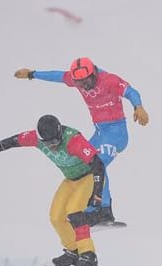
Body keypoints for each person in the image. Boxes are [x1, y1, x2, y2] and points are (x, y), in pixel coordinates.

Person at [14, 57, 149, 226]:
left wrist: (138, 106)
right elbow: (57, 76)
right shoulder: (77, 80)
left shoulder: (109, 80)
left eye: (87, 80)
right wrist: (32, 74)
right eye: (80, 82)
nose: (85, 85)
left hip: (116, 134)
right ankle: (93, 207)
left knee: (97, 164)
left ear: (94, 73)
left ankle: (102, 211)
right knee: (82, 163)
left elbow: (131, 92)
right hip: (100, 133)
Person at [0, 114, 106, 266]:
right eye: (47, 143)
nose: (51, 146)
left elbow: (98, 165)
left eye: (55, 142)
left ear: (60, 135)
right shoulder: (34, 139)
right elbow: (11, 142)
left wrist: (98, 195)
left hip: (87, 178)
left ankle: (88, 255)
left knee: (74, 211)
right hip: (70, 180)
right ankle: (74, 250)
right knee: (56, 217)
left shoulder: (73, 141)